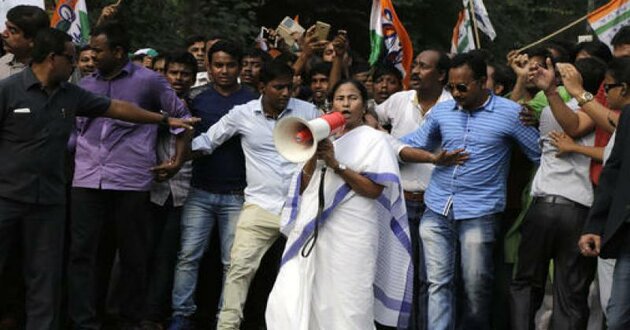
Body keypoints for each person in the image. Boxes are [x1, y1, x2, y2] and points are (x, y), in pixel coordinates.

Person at [0, 27, 196, 330]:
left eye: (92, 53)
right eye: (74, 57)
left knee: (64, 270)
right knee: (71, 257)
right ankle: (76, 320)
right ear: (53, 59)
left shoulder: (89, 91)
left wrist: (168, 132)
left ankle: (118, 319)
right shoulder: (28, 89)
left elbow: (126, 110)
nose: (82, 62)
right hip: (44, 189)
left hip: (96, 188)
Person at [400, 52, 541, 329]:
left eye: (462, 87)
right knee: (437, 284)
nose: (454, 93)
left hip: (481, 211)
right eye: (450, 87)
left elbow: (539, 153)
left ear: (481, 83)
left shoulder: (511, 113)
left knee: (476, 286)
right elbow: (415, 143)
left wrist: (541, 120)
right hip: (438, 208)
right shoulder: (441, 112)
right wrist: (376, 138)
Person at [67, 21, 192, 329]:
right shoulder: (84, 86)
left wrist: (176, 160)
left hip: (130, 179)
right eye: (91, 50)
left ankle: (129, 319)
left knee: (133, 254)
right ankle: (84, 319)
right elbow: (72, 130)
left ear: (118, 52)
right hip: (86, 179)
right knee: (84, 253)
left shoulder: (149, 81)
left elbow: (182, 119)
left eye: (98, 50)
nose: (92, 56)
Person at [265, 79, 412, 329]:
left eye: (352, 98)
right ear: (331, 104)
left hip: (354, 231)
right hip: (316, 227)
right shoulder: (324, 133)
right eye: (340, 99)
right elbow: (304, 187)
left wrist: (337, 165)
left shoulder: (375, 140)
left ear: (364, 105)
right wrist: (312, 155)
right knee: (294, 289)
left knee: (348, 300)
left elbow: (374, 190)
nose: (346, 104)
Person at [191, 60, 319, 330]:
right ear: (262, 87)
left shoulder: (307, 111)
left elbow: (334, 143)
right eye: (278, 88)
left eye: (289, 88)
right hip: (260, 207)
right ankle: (227, 326)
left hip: (301, 206)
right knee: (239, 269)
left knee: (305, 273)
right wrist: (175, 147)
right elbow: (207, 141)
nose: (285, 93)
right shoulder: (242, 114)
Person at [509, 57, 607, 330]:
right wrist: (552, 91)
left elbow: (574, 126)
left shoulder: (553, 109)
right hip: (578, 210)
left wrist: (552, 91)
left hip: (544, 207)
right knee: (571, 293)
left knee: (526, 285)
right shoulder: (602, 114)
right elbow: (575, 125)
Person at [168, 40, 257, 330]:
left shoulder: (254, 100)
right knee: (188, 256)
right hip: (200, 190)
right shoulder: (198, 100)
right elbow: (184, 139)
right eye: (218, 64)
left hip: (237, 194)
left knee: (232, 263)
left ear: (240, 66)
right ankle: (181, 315)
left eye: (230, 65)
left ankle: (226, 318)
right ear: (208, 66)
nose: (224, 70)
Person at [375, 48, 452, 329]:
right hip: (399, 201)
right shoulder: (398, 100)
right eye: (414, 65)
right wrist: (379, 133)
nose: (415, 71)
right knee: (398, 275)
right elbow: (369, 113)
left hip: (436, 205)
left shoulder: (454, 106)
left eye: (424, 66)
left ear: (442, 75)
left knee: (430, 279)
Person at [142, 51, 198, 329]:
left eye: (184, 74)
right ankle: (133, 311)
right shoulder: (147, 104)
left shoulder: (198, 106)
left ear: (193, 77)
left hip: (182, 191)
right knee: (141, 253)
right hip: (147, 188)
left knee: (169, 255)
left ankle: (154, 315)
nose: (178, 78)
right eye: (172, 73)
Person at [579, 57, 630, 330]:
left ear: (623, 88)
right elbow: (612, 175)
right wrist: (595, 226)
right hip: (626, 237)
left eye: (608, 87)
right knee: (618, 317)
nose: (605, 93)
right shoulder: (627, 119)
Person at [0, 5, 49, 79]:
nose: (4, 34)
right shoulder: (2, 62)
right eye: (6, 27)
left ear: (33, 40)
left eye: (12, 31)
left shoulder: (54, 71)